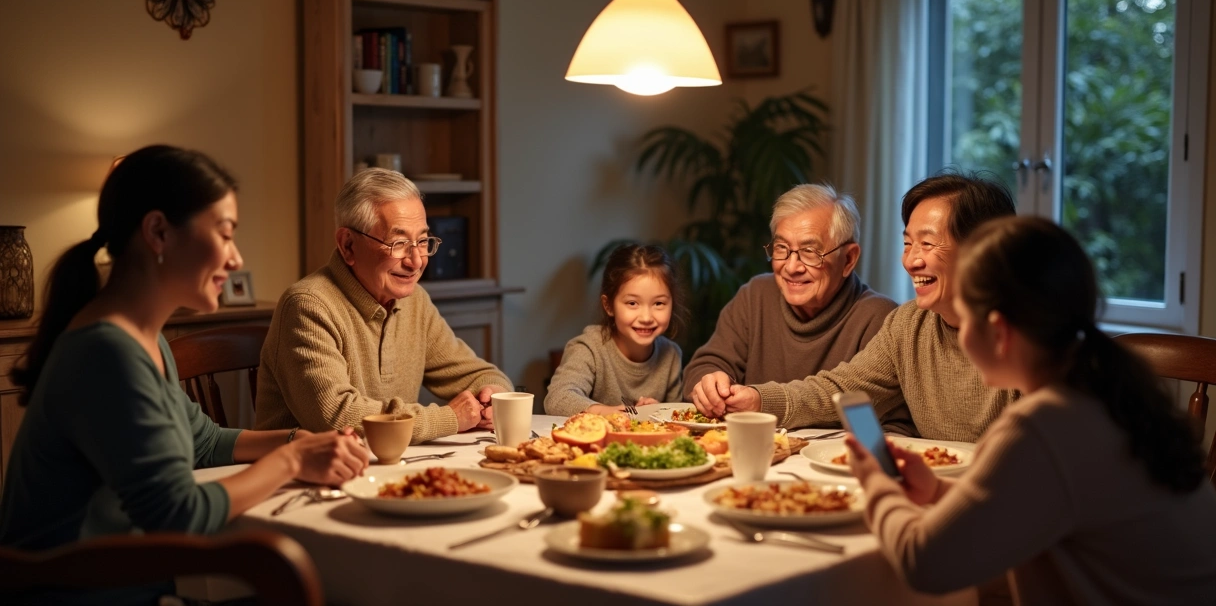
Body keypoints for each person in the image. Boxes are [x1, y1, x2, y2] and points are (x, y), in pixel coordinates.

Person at [0, 146, 368, 604]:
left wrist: (301, 440)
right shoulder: (105, 352)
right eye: (225, 233)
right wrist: (292, 463)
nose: (235, 260)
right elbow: (179, 515)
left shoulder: (145, 340)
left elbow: (204, 442)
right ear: (158, 232)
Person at [843, 216, 1216, 604]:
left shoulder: (1044, 425)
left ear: (1000, 332)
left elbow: (923, 564)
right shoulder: (1105, 392)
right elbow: (1043, 505)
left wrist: (877, 483)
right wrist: (938, 490)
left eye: (965, 318)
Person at [691, 172, 1018, 442]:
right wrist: (756, 399)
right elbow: (839, 389)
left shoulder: (1025, 333)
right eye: (907, 244)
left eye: (927, 243)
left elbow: (887, 423)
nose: (911, 260)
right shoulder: (908, 324)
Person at [254, 168, 512, 443]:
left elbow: (480, 374)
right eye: (398, 243)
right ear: (348, 245)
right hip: (298, 477)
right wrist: (449, 418)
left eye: (423, 241)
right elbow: (337, 417)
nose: (416, 261)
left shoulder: (415, 301)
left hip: (384, 470)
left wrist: (491, 394)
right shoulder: (308, 305)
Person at [682, 183, 896, 419]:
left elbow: (877, 419)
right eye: (781, 248)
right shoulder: (756, 295)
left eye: (810, 252)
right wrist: (711, 384)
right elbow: (704, 365)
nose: (791, 267)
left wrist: (764, 403)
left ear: (848, 259)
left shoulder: (881, 319)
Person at [544, 244, 685, 416]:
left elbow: (678, 419)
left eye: (659, 303)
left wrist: (660, 410)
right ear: (609, 306)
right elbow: (558, 398)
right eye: (632, 303)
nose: (646, 317)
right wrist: (604, 412)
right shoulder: (589, 348)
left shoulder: (671, 355)